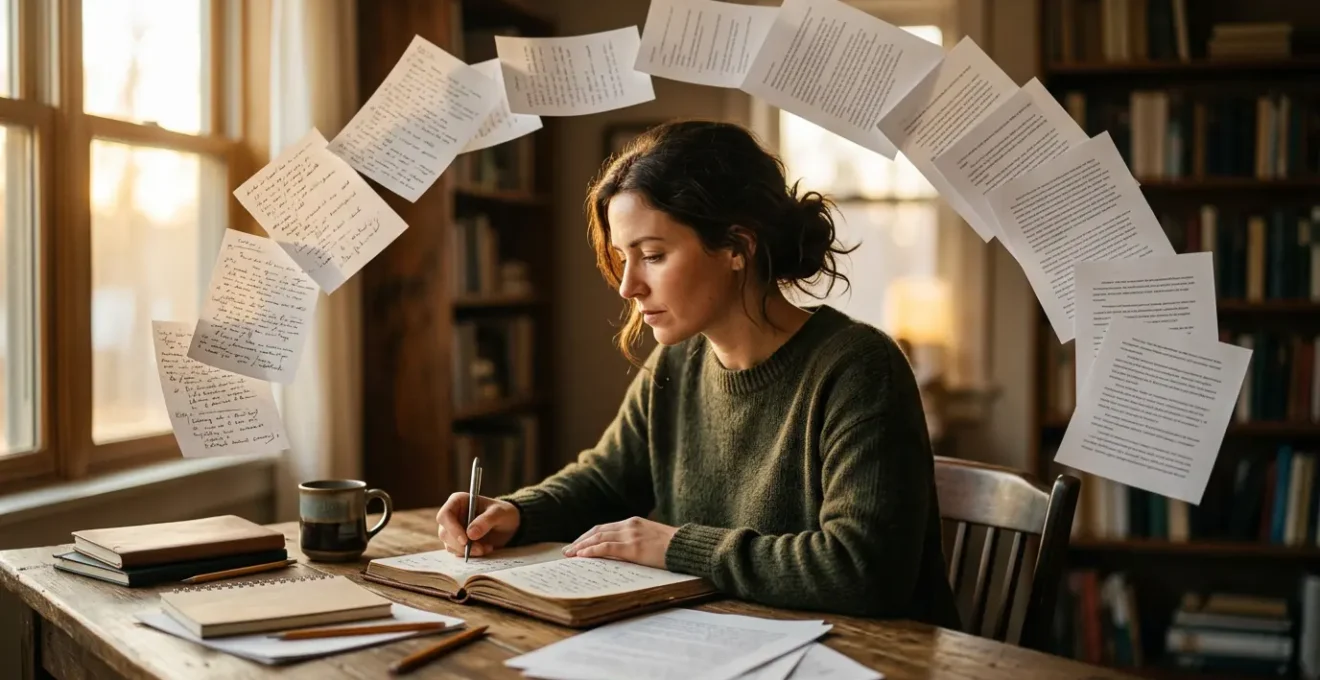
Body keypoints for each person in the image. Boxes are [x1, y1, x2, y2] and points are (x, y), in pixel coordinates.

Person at [436, 120, 961, 627]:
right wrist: (513, 512)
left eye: (653, 255)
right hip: (724, 643)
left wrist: (675, 546)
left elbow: (862, 569)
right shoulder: (680, 360)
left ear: (737, 246)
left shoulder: (859, 368)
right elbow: (605, 480)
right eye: (623, 258)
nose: (628, 287)